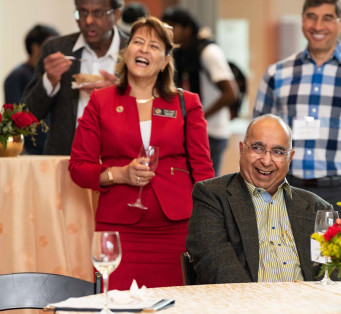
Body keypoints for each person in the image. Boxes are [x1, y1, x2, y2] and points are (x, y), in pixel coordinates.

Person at [69, 16, 215, 289]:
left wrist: (205, 225)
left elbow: (204, 172)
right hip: (118, 228)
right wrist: (118, 174)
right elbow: (78, 167)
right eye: (138, 42)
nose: (144, 49)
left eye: (154, 45)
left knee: (176, 308)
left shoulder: (188, 103)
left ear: (164, 61)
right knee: (115, 306)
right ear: (127, 53)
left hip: (176, 229)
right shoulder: (100, 101)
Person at [253, 0, 341, 218]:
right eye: (311, 16)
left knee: (338, 254)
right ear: (303, 20)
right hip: (285, 189)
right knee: (283, 254)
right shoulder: (276, 75)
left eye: (327, 18)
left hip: (340, 192)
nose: (318, 26)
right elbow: (257, 135)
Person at [186, 114, 333, 284]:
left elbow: (331, 275)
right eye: (257, 148)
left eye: (278, 152)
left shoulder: (317, 208)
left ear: (290, 158)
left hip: (308, 305)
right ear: (242, 149)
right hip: (245, 306)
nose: (266, 160)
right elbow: (217, 267)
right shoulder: (212, 196)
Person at [22, 0, 129, 155]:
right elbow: (28, 115)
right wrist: (50, 80)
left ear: (116, 14)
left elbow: (156, 110)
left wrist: (120, 92)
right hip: (65, 159)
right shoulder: (56, 48)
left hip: (119, 160)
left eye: (97, 13)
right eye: (82, 12)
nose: (88, 21)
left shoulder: (133, 50)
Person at [162, 6, 239, 176]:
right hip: (193, 130)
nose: (169, 34)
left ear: (187, 28)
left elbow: (231, 92)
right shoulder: (182, 53)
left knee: (205, 189)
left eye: (172, 28)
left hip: (212, 131)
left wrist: (199, 115)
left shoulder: (208, 52)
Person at [3, 24, 59, 154]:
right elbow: (14, 117)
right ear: (35, 47)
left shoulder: (53, 76)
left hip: (51, 146)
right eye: (50, 45)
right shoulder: (17, 76)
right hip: (29, 149)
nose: (56, 51)